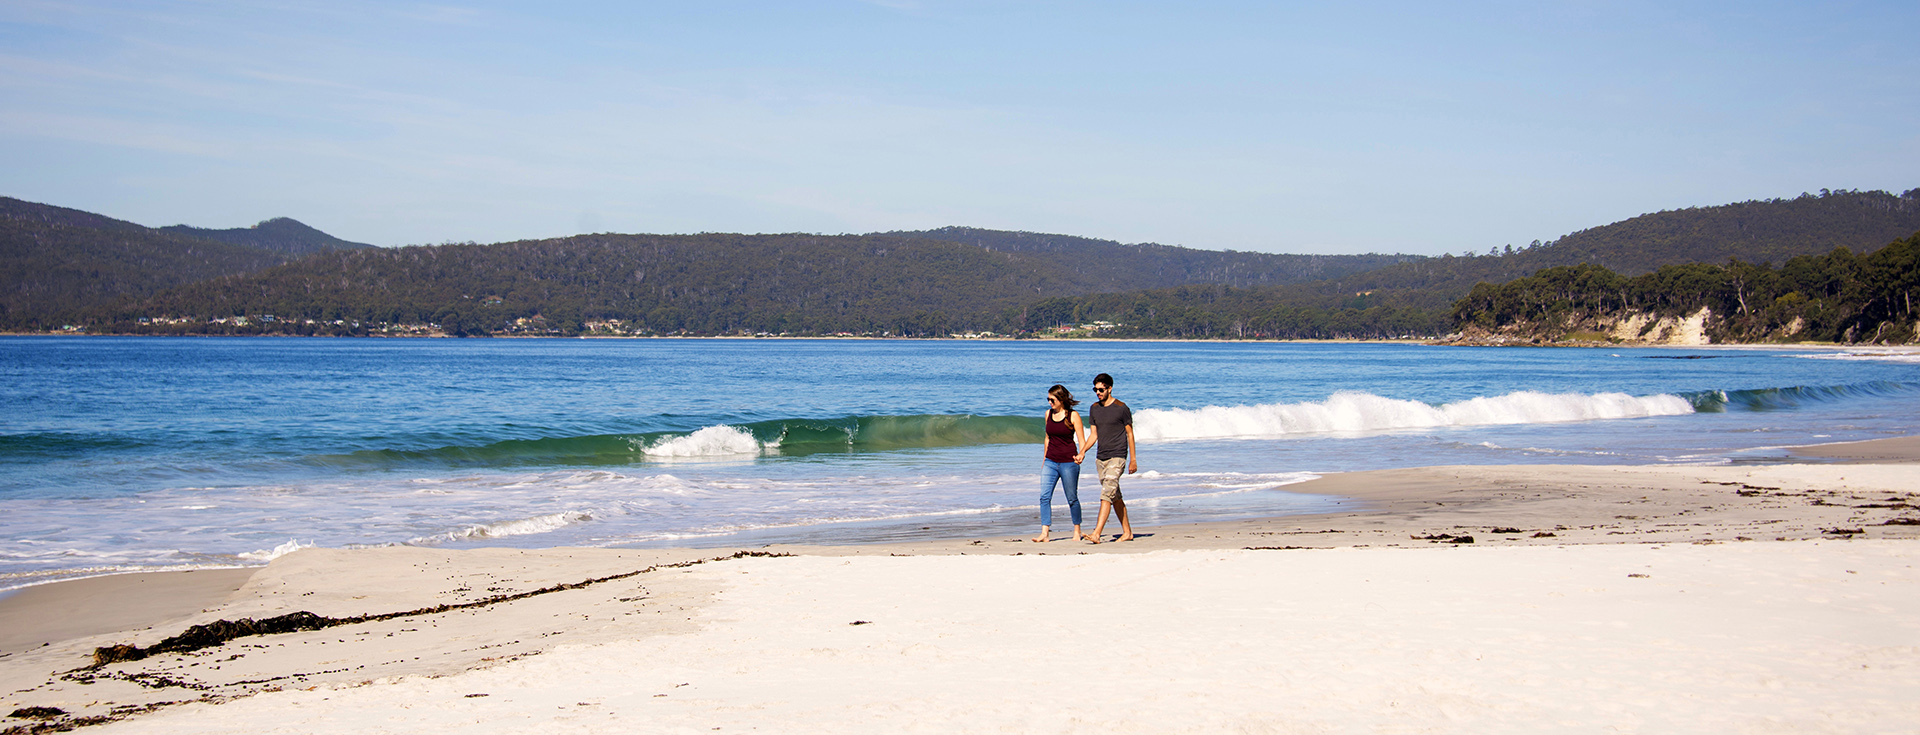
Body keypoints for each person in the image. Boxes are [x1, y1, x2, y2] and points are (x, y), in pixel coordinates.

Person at [1084, 372, 1137, 543]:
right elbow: (1093, 435)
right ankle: (1127, 532)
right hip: (1101, 458)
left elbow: (1130, 434)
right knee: (1114, 496)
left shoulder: (1121, 408)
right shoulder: (1094, 408)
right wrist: (1082, 451)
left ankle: (1096, 533)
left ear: (1109, 388)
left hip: (1118, 456)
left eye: (1101, 389)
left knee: (1106, 493)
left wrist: (1133, 459)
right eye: (1095, 389)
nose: (1098, 392)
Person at [1035, 384, 1091, 543]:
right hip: (1050, 462)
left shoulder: (1072, 416)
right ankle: (1045, 532)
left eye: (1052, 400)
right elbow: (1047, 438)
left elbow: (1081, 439)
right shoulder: (1048, 414)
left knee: (1072, 497)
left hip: (1068, 462)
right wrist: (1044, 459)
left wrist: (1082, 454)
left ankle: (1077, 530)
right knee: (1044, 497)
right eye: (1048, 399)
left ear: (1061, 399)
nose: (1049, 403)